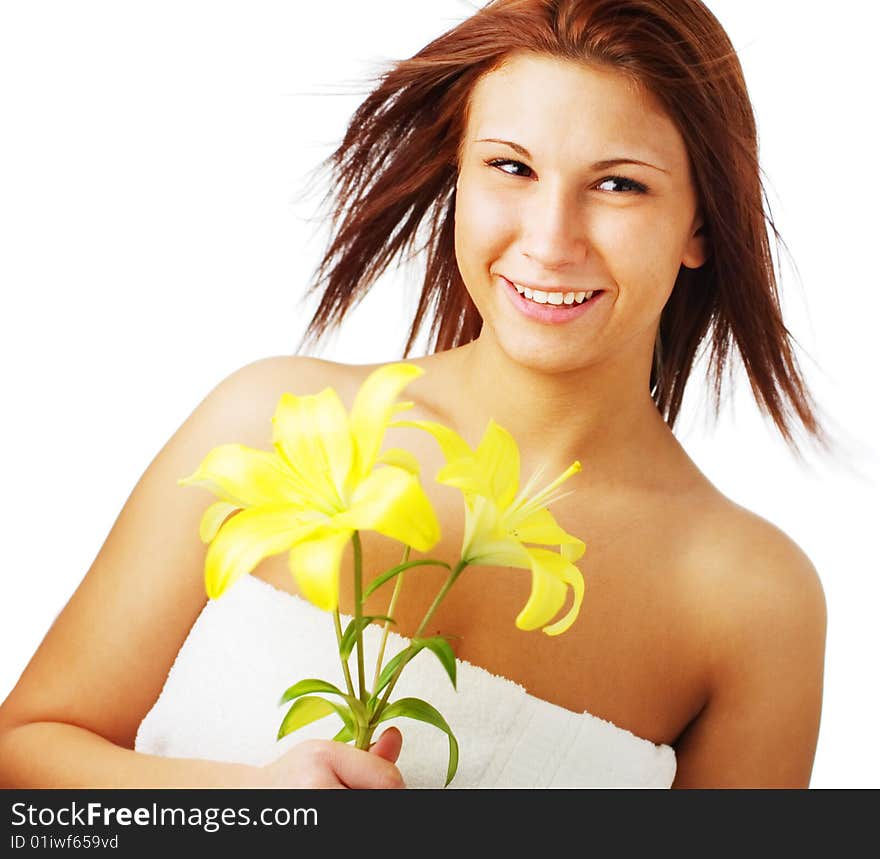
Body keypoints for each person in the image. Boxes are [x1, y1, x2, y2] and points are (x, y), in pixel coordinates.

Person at [0, 0, 829, 789]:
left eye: (618, 185)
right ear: (459, 180)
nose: (549, 241)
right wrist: (250, 806)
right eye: (511, 167)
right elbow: (21, 766)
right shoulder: (277, 427)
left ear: (702, 226)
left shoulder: (752, 605)